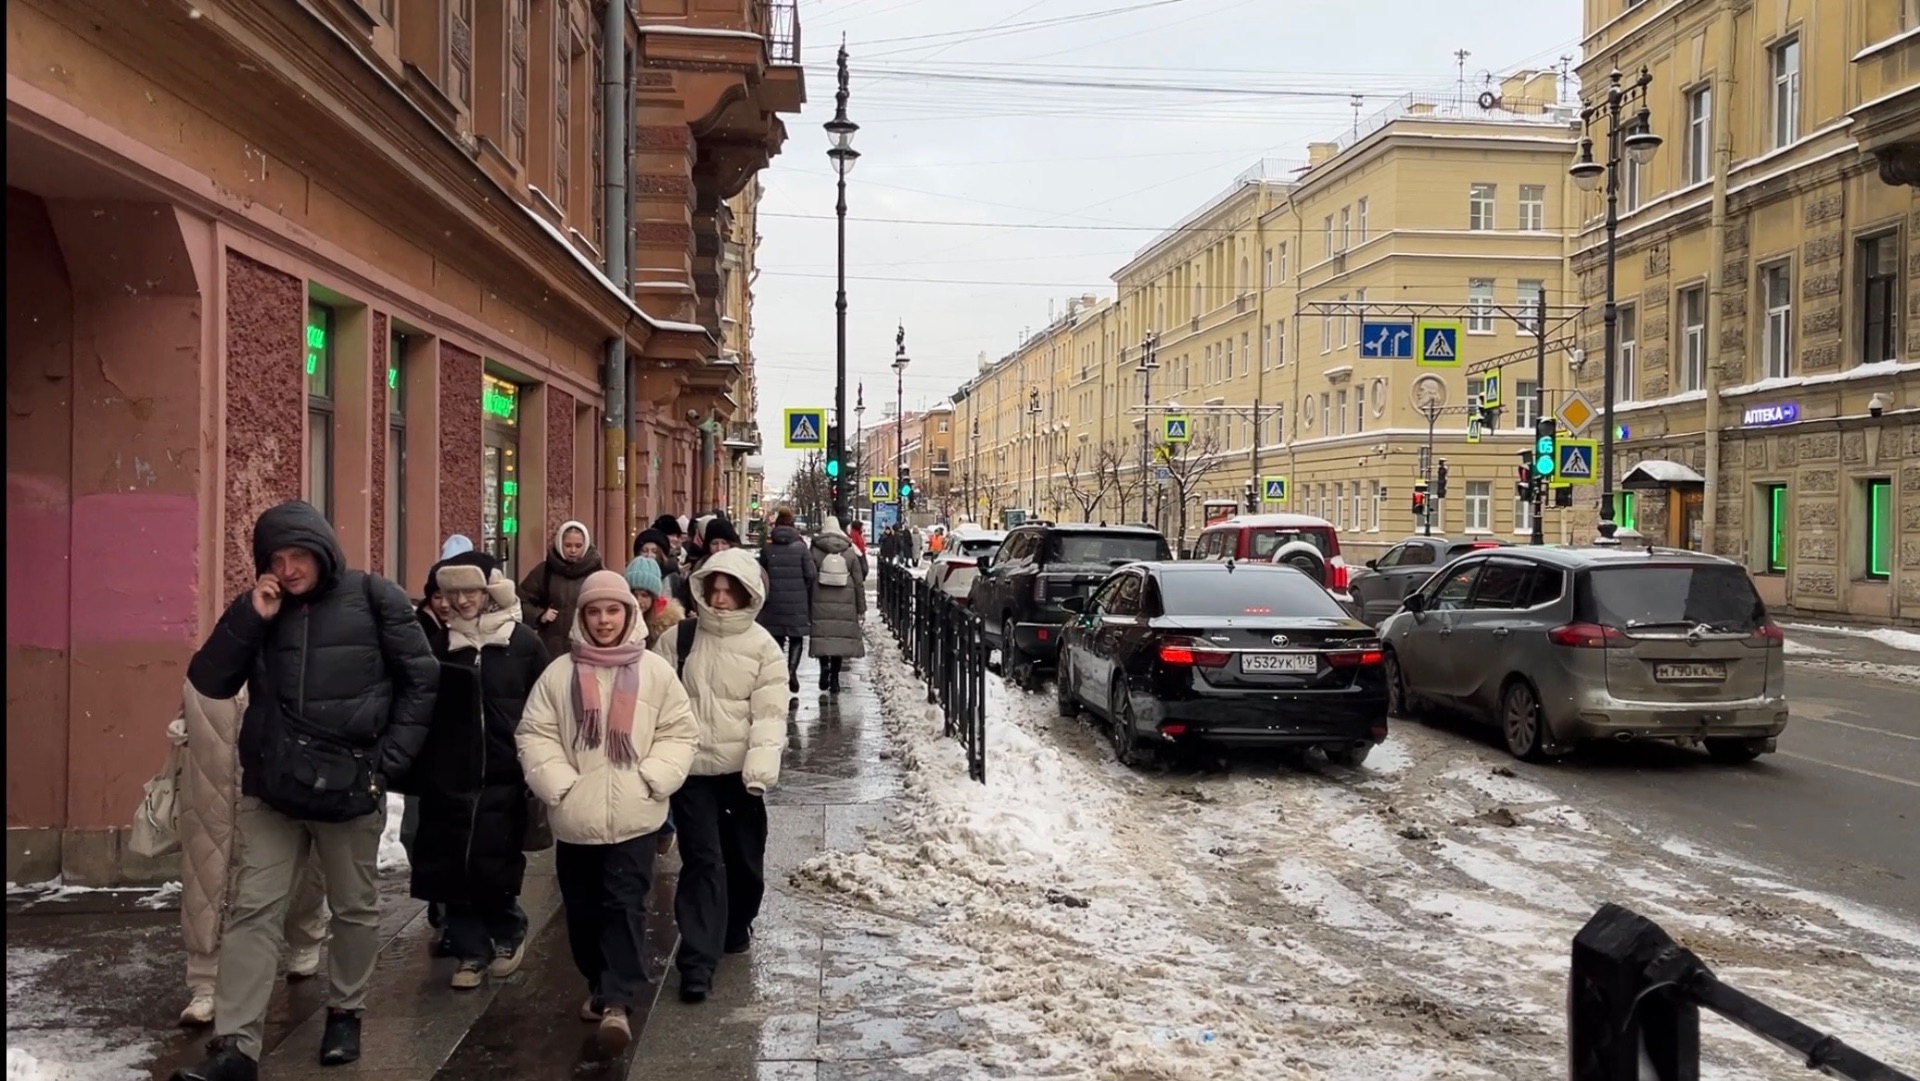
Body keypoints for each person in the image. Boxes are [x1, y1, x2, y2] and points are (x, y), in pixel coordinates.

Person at [172, 501, 438, 1081]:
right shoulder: (264, 608)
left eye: (299, 556)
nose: (289, 569)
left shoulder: (375, 597)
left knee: (354, 907)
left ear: (322, 550)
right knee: (252, 909)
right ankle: (236, 1047)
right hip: (274, 788)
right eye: (277, 560)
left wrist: (386, 763)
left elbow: (422, 680)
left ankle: (347, 1009)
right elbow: (210, 680)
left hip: (349, 784)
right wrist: (251, 615)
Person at [517, 571, 699, 1054]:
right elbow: (535, 735)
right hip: (577, 820)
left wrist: (652, 779)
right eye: (594, 612)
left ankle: (617, 1001)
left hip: (635, 818)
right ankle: (600, 983)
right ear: (582, 617)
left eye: (613, 611)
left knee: (625, 905)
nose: (603, 620)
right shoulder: (558, 674)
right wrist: (560, 786)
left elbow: (679, 732)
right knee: (582, 913)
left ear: (629, 614)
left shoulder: (655, 672)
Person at [403, 552, 549, 990]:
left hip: (506, 770)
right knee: (451, 863)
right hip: (451, 774)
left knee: (494, 859)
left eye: (470, 592)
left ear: (488, 593)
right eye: (453, 594)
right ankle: (470, 950)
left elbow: (543, 705)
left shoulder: (522, 642)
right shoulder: (438, 645)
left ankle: (507, 929)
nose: (461, 601)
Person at [671, 549, 789, 1004]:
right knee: (704, 862)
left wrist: (759, 770)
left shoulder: (762, 647)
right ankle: (698, 961)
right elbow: (658, 702)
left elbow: (769, 714)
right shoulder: (680, 640)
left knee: (743, 861)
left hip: (741, 777)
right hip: (692, 774)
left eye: (728, 591)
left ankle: (736, 923)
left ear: (746, 595)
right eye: (713, 589)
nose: (719, 599)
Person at [176, 682, 329, 1028]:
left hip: (271, 795)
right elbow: (187, 717)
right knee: (205, 889)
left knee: (298, 875)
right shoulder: (210, 664)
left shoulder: (288, 654)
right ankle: (205, 985)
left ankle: (306, 932)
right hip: (209, 802)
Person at [405, 534, 478, 953]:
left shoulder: (480, 640)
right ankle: (441, 903)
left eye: (459, 593)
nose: (450, 602)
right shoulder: (420, 636)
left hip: (467, 759)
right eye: (441, 594)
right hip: (430, 757)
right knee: (420, 834)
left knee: (462, 840)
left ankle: (456, 918)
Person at [624, 555, 686, 856]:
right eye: (633, 594)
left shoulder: (668, 626)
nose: (639, 600)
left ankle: (665, 825)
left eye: (644, 594)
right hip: (628, 703)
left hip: (658, 707)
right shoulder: (618, 622)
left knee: (658, 772)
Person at [518, 519, 603, 659]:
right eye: (568, 545)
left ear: (586, 546)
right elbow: (520, 601)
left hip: (587, 648)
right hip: (550, 649)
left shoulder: (597, 573)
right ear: (559, 544)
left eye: (578, 545)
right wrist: (539, 614)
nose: (573, 550)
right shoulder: (545, 571)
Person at [755, 509, 815, 696]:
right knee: (796, 638)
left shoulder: (768, 549)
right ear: (792, 525)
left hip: (773, 601)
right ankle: (791, 670)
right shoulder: (801, 548)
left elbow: (761, 575)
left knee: (777, 639)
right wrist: (803, 589)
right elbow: (811, 574)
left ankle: (780, 673)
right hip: (797, 601)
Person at [808, 517, 868, 695]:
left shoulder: (815, 550)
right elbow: (858, 582)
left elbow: (809, 577)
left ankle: (823, 668)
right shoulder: (849, 551)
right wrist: (861, 607)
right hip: (845, 601)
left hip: (820, 599)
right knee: (839, 641)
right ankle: (835, 678)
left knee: (823, 637)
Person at [633, 527, 684, 605]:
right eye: (644, 551)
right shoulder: (631, 575)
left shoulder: (672, 578)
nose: (649, 555)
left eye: (654, 551)